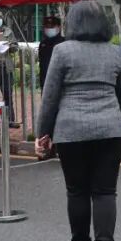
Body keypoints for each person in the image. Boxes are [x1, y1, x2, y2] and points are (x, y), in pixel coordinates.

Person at [36, 0, 121, 241]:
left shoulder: (62, 51)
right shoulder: (113, 52)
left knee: (77, 191)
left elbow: (50, 96)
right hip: (109, 130)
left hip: (70, 131)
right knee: (105, 193)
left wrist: (43, 133)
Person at [37, 15, 66, 160]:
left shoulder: (64, 43)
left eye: (52, 26)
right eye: (47, 27)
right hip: (46, 84)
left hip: (60, 85)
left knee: (60, 116)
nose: (49, 29)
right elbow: (42, 67)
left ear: (59, 27)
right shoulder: (43, 44)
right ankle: (48, 146)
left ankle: (59, 145)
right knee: (47, 116)